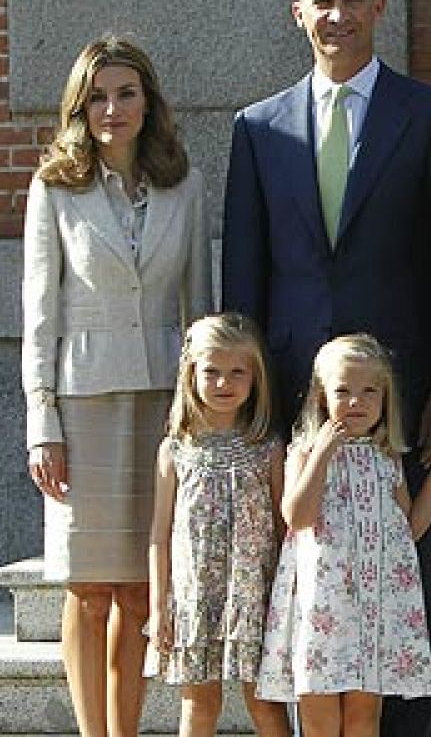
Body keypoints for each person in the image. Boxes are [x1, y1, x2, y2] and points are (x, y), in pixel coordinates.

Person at [222, 0, 431, 736]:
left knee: (400, 592)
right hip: (293, 398)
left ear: (379, 8)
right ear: (299, 13)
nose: (338, 14)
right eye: (322, 0)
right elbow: (246, 281)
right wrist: (249, 408)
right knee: (299, 591)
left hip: (395, 401)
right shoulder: (257, 129)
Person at [21, 35, 213, 737]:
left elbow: (202, 306)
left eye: (125, 92)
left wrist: (203, 416)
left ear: (148, 100)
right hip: (82, 408)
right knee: (89, 587)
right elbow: (38, 314)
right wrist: (41, 418)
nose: (112, 108)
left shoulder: (184, 185)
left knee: (138, 589)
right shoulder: (55, 188)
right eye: (98, 95)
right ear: (80, 105)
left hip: (164, 406)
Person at [255, 334, 431, 736]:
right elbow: (297, 515)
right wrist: (324, 453)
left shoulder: (387, 456)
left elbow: (409, 528)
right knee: (320, 713)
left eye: (369, 392)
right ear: (321, 396)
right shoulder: (304, 452)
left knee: (365, 715)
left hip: (373, 608)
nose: (356, 402)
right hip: (324, 609)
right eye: (343, 391)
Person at [145, 314, 290, 737]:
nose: (224, 383)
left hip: (254, 595)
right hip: (195, 598)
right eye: (212, 372)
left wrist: (288, 597)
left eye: (236, 372)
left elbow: (285, 532)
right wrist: (159, 607)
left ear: (255, 377)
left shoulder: (268, 449)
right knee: (199, 704)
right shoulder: (174, 451)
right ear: (191, 375)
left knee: (265, 701)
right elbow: (159, 534)